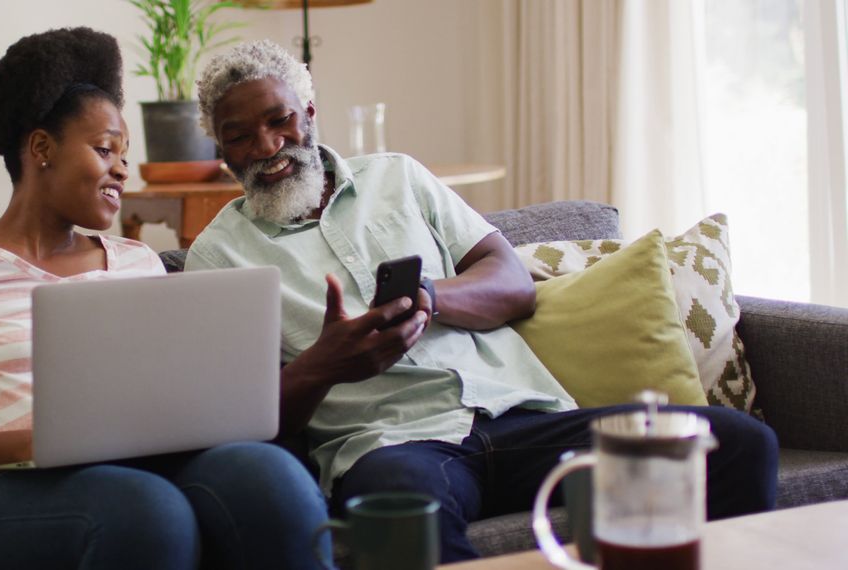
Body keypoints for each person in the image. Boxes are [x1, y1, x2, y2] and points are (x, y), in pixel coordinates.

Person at [186, 39, 779, 563]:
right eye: (239, 136)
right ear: (222, 150)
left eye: (280, 120)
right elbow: (243, 420)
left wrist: (429, 298)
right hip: (393, 446)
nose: (267, 146)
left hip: (524, 417)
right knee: (398, 518)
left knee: (737, 443)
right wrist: (326, 364)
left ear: (310, 114)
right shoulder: (217, 255)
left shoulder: (398, 177)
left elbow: (513, 283)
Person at [0, 28, 330, 570]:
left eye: (125, 153)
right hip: (11, 493)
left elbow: (176, 393)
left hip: (151, 466)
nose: (122, 168)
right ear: (42, 149)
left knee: (271, 477)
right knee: (148, 510)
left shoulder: (138, 261)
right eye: (105, 150)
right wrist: (60, 442)